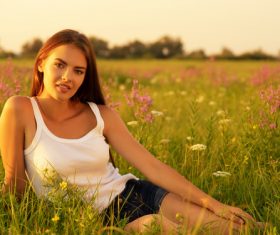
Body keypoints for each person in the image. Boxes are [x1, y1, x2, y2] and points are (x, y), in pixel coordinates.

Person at [0, 29, 261, 234]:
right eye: (60, 65)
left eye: (78, 71)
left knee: (240, 228)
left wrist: (215, 205)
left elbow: (153, 167)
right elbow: (15, 186)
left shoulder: (101, 115)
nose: (67, 76)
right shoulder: (20, 109)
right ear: (41, 63)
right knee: (162, 228)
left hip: (135, 193)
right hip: (101, 219)